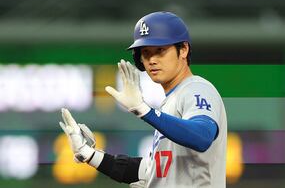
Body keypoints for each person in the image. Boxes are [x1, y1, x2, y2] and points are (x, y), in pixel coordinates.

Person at [59, 11, 227, 187]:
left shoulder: (196, 88)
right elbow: (150, 169)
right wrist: (88, 154)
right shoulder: (170, 102)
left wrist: (144, 110)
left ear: (183, 49)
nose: (152, 60)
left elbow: (202, 136)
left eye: (160, 50)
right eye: (146, 52)